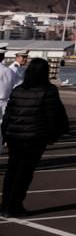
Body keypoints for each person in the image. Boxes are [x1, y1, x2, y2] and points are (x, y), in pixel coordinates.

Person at [1, 58, 70, 218]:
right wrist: (53, 136)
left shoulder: (18, 90)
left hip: (15, 136)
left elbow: (8, 116)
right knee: (25, 172)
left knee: (12, 170)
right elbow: (53, 115)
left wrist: (5, 134)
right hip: (34, 137)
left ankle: (6, 204)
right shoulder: (48, 90)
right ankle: (15, 205)